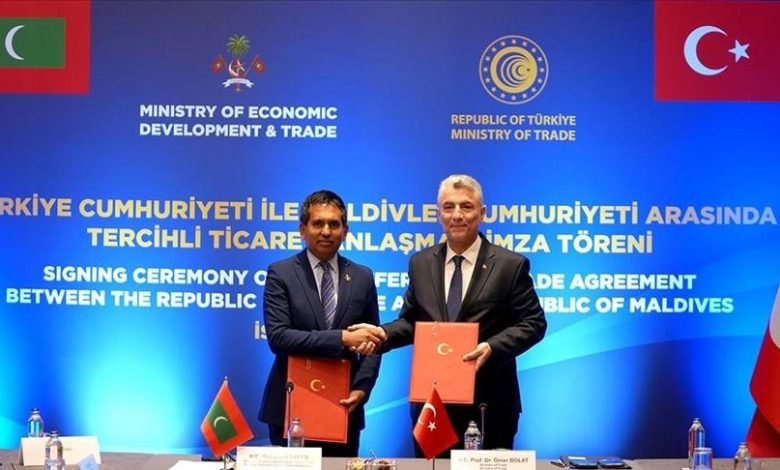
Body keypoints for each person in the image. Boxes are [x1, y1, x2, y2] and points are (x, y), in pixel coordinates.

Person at [351, 174, 546, 455]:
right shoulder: (421, 263)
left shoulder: (510, 265)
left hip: (489, 402)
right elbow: (411, 322)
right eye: (448, 207)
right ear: (438, 213)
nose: (457, 215)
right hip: (432, 406)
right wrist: (383, 334)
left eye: (466, 206)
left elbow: (534, 323)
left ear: (482, 213)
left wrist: (492, 347)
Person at [259, 190, 382, 456]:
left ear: (345, 231)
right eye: (318, 223)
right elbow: (279, 338)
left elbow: (373, 342)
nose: (326, 231)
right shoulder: (281, 273)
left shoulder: (362, 277)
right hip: (291, 406)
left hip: (343, 407)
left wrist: (362, 388)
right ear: (303, 229)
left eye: (334, 224)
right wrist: (341, 338)